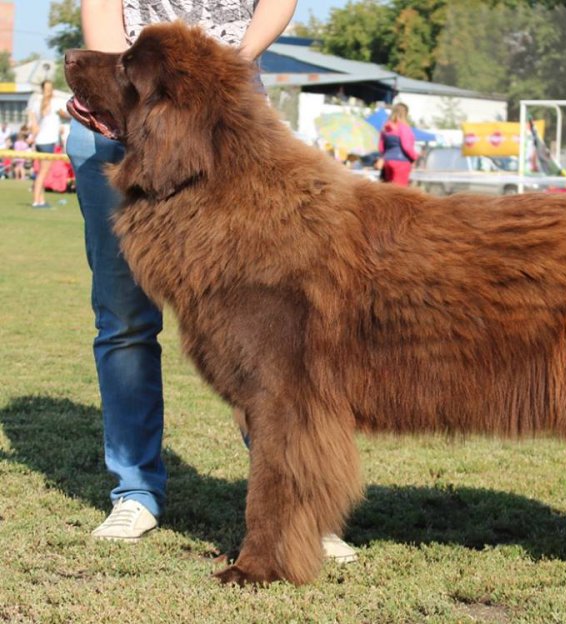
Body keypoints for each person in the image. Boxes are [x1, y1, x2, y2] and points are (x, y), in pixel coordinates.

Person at [66, 0, 357, 563]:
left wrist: (235, 64)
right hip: (129, 111)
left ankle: (296, 505)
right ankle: (135, 490)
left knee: (272, 338)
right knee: (124, 321)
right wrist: (122, 87)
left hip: (225, 120)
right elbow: (101, 22)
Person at [28, 80, 67, 208]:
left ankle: (41, 200)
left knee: (41, 172)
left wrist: (33, 137)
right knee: (43, 173)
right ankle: (36, 201)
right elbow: (65, 114)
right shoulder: (54, 102)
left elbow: (33, 122)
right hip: (48, 141)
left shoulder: (36, 102)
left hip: (39, 141)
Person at [378, 103, 418, 186]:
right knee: (400, 192)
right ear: (405, 113)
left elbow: (381, 148)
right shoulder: (403, 127)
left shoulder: (385, 127)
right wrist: (415, 157)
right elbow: (407, 147)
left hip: (387, 162)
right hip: (401, 163)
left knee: (389, 191)